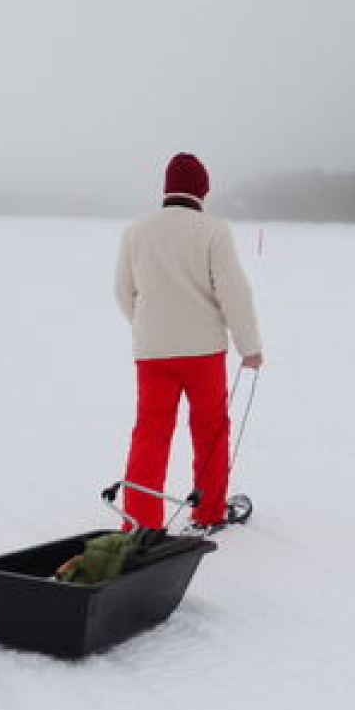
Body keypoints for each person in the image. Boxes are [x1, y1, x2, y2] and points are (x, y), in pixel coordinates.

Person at [113, 152, 263, 532]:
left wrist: (149, 327)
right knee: (210, 429)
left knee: (151, 433)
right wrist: (250, 346)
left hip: (153, 353)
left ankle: (142, 522)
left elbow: (122, 292)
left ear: (167, 188)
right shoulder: (213, 230)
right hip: (203, 353)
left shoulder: (136, 232)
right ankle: (209, 511)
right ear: (202, 190)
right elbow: (233, 291)